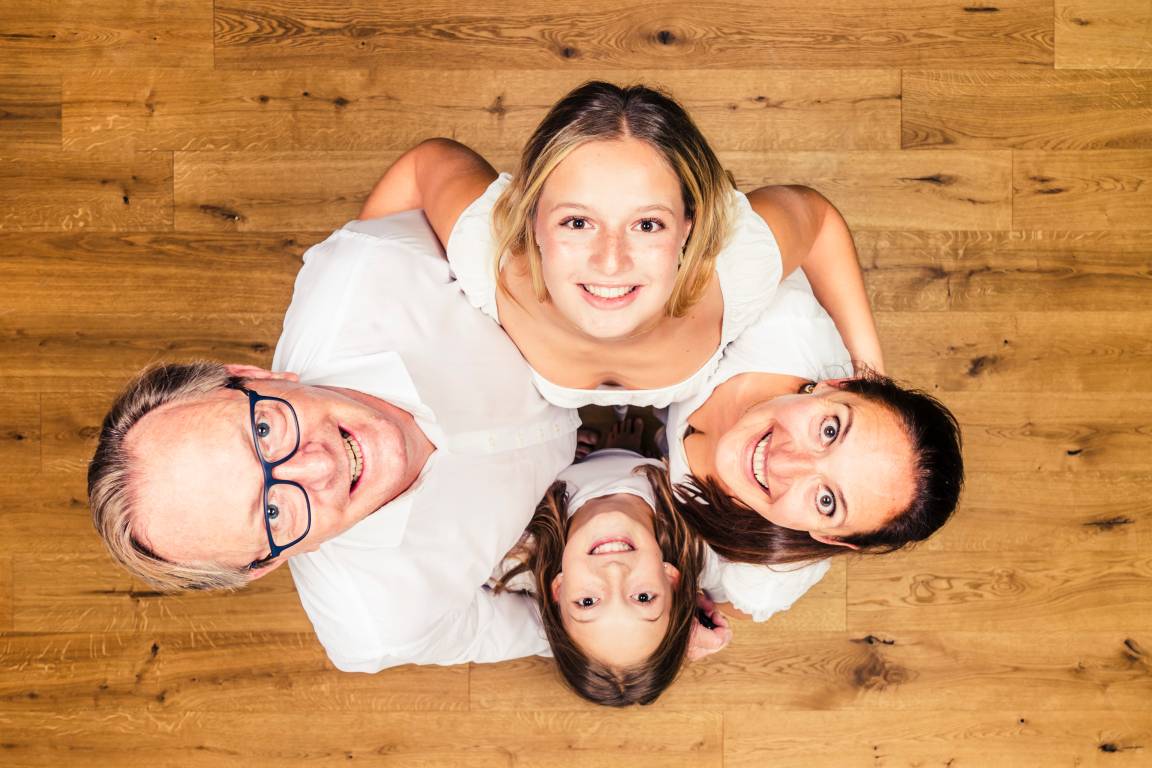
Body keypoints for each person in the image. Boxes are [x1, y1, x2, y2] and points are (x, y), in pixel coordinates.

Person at [87, 210, 580, 671]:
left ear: (254, 376)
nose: (320, 466)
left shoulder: (366, 274)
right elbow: (559, 628)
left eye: (263, 431)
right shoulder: (379, 628)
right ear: (267, 563)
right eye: (273, 513)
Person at [359, 81, 883, 408]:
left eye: (647, 225)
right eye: (577, 222)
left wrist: (871, 375)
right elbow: (426, 163)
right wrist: (356, 312)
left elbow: (816, 220)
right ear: (532, 220)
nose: (611, 263)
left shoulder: (739, 263)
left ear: (689, 227)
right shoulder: (484, 249)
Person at [664, 271, 964, 634]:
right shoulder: (778, 317)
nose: (784, 462)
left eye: (826, 501)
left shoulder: (766, 575)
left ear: (827, 536)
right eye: (830, 431)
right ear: (835, 386)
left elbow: (740, 606)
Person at [493, 449, 706, 706]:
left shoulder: (513, 543)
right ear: (670, 578)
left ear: (559, 588)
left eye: (587, 602)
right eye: (643, 597)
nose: (613, 570)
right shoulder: (698, 519)